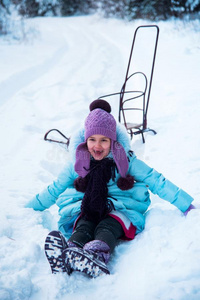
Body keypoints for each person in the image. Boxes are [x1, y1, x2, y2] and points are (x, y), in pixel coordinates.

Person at [26, 99, 195, 277]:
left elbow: (156, 180)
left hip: (120, 209)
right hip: (88, 207)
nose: (97, 146)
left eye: (103, 140)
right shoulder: (77, 165)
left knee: (108, 225)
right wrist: (30, 208)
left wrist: (186, 205)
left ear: (113, 141)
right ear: (85, 140)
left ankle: (97, 254)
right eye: (92, 139)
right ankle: (71, 250)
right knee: (84, 224)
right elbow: (55, 189)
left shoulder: (127, 162)